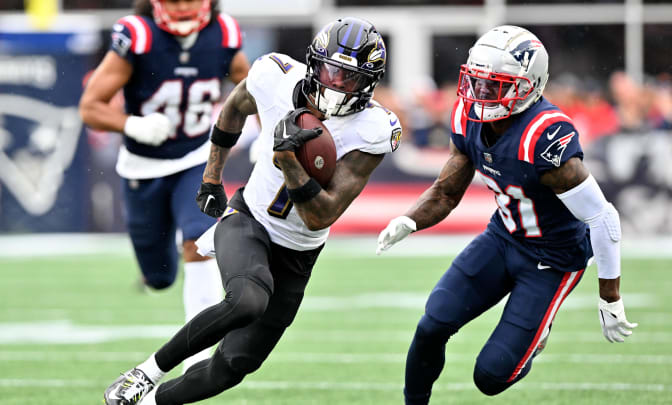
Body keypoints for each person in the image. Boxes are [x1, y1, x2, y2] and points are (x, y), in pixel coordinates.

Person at [100, 17, 401, 405]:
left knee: (233, 366)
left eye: (351, 78)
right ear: (314, 63)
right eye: (331, 71)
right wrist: (211, 178)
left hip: (299, 250)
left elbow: (320, 216)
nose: (337, 84)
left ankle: (146, 403)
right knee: (246, 300)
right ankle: (144, 373)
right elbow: (234, 108)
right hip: (250, 219)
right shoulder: (274, 77)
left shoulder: (373, 129)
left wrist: (289, 161)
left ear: (370, 83)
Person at [376, 25, 638, 404]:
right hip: (503, 238)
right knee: (431, 325)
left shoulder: (544, 136)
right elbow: (448, 191)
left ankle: (535, 339)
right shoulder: (468, 116)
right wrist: (409, 220)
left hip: (553, 258)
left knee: (491, 376)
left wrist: (610, 296)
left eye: (494, 85)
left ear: (528, 86)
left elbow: (602, 218)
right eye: (477, 82)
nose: (480, 94)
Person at [78, 0, 249, 368]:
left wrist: (269, 133)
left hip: (196, 157)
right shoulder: (138, 35)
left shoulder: (224, 33)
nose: (184, 6)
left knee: (199, 241)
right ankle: (160, 262)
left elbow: (253, 89)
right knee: (159, 277)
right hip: (143, 167)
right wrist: (131, 124)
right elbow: (90, 106)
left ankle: (197, 354)